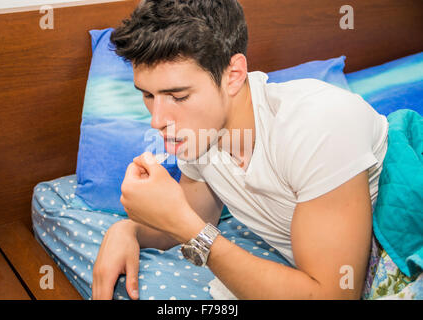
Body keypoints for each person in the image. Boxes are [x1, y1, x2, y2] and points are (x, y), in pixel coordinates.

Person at [92, 0, 389, 300]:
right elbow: (193, 214)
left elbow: (333, 297)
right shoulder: (199, 134)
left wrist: (189, 229)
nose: (157, 120)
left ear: (233, 75)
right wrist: (127, 231)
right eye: (148, 95)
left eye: (178, 97)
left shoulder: (318, 126)